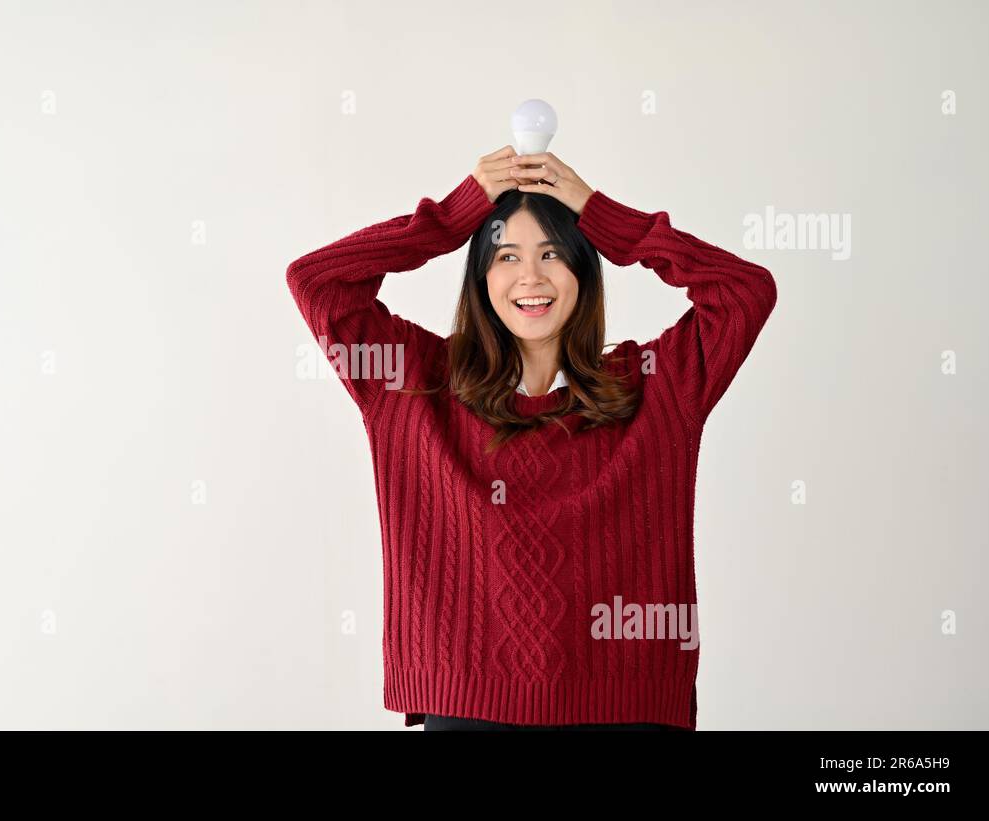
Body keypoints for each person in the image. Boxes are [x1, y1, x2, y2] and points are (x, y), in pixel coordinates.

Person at [286, 146, 777, 730]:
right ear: (481, 277)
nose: (531, 277)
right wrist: (450, 216)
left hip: (625, 712)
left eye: (551, 254)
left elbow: (744, 292)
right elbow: (317, 282)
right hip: (468, 709)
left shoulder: (655, 386)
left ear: (582, 272)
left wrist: (601, 215)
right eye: (506, 255)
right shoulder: (414, 382)